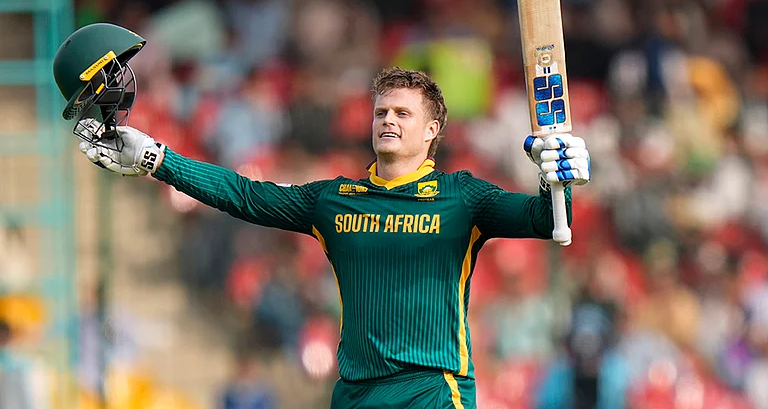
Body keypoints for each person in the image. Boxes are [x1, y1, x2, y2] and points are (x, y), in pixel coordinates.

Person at [53, 23, 591, 409]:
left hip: (433, 390)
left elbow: (547, 221)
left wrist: (560, 176)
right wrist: (158, 159)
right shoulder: (334, 202)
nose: (388, 121)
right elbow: (243, 194)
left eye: (404, 113)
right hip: (354, 393)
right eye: (382, 112)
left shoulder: (464, 199)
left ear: (432, 132)